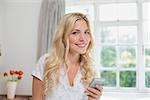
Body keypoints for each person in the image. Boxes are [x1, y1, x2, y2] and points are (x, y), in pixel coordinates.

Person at [32, 12, 103, 100]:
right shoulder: (45, 63)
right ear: (63, 36)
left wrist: (95, 99)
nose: (83, 39)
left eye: (86, 32)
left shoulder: (91, 69)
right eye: (75, 33)